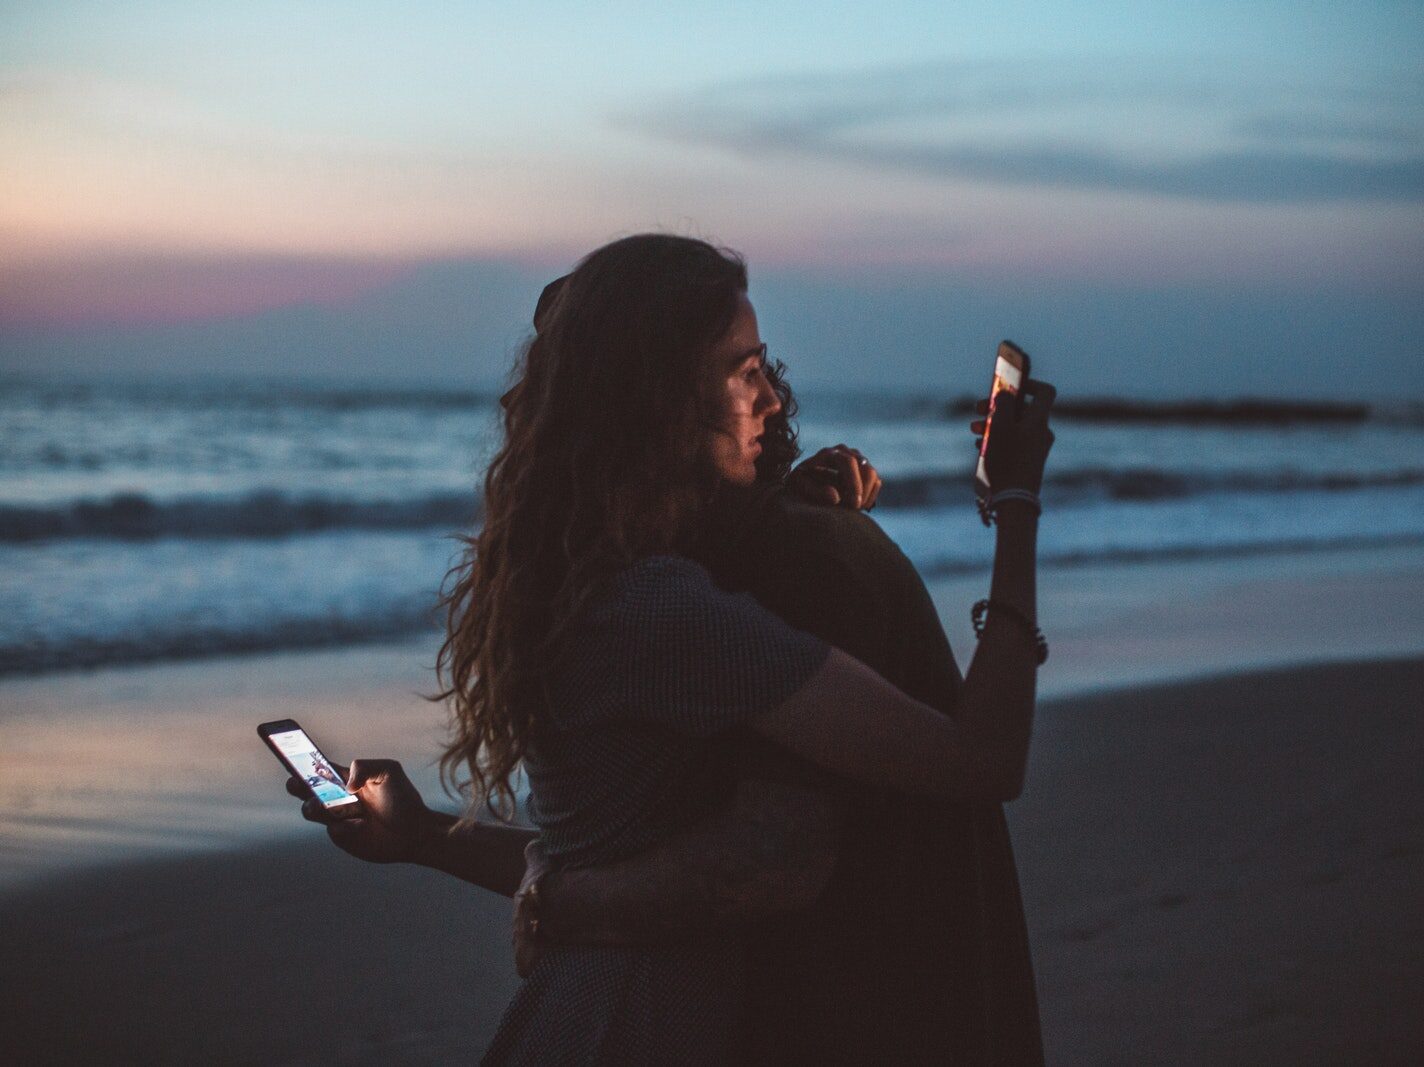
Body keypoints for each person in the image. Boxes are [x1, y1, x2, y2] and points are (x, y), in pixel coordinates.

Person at [286, 234, 1055, 1064]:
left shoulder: (584, 580)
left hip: (586, 1007)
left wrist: (421, 835)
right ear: (659, 398)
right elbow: (981, 757)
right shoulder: (666, 609)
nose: (772, 398)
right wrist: (1017, 503)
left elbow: (591, 866)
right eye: (744, 370)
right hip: (639, 1024)